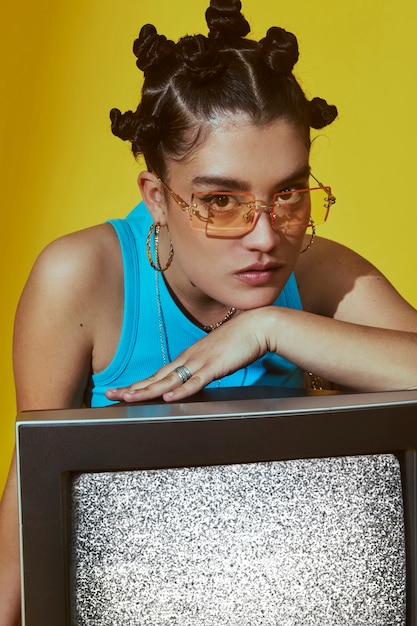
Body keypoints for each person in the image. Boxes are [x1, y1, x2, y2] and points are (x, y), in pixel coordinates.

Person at [1, 0, 417, 622]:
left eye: (289, 194)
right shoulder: (79, 279)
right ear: (157, 198)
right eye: (221, 200)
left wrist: (271, 326)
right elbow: (27, 504)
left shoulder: (319, 269)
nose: (265, 236)